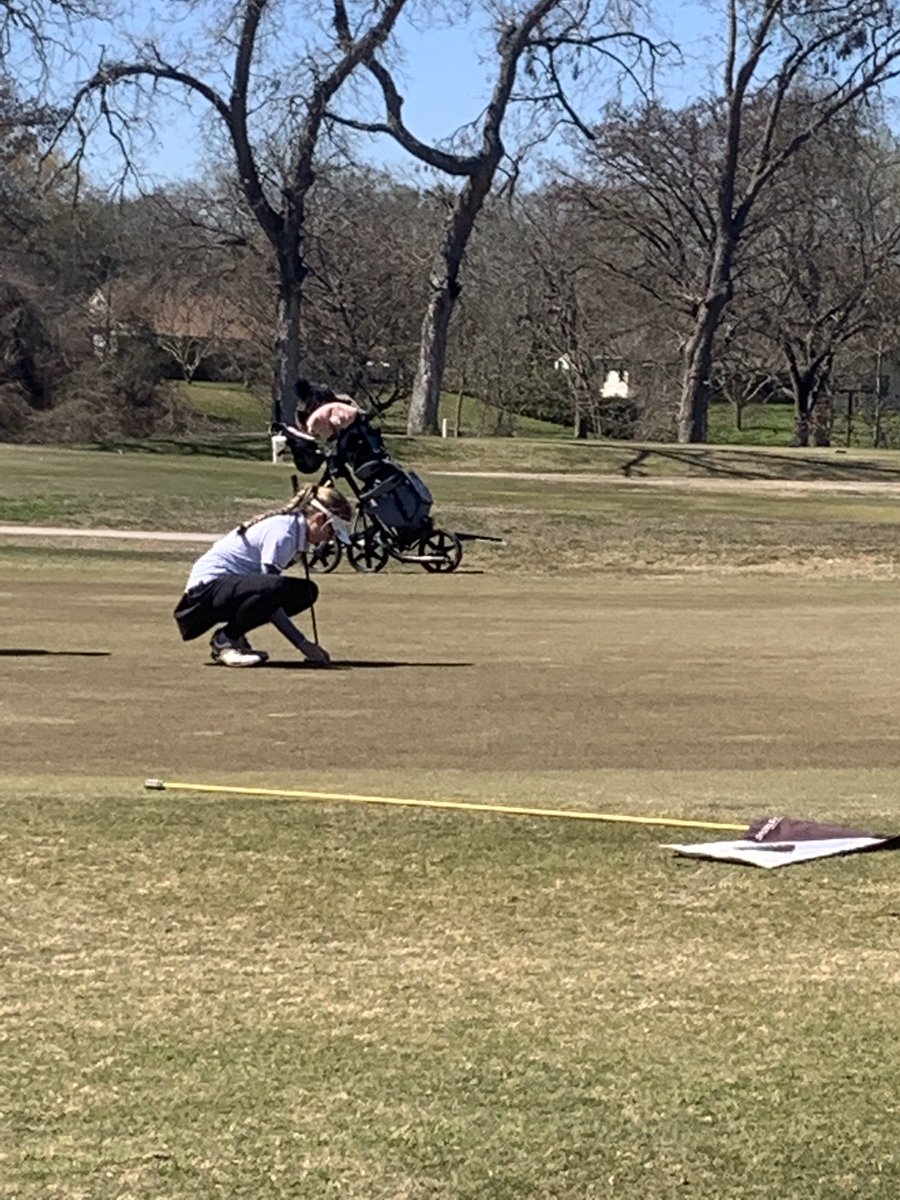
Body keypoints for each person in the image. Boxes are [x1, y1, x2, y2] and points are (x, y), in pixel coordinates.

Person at [172, 483, 354, 667]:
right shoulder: (284, 533)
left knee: (305, 592)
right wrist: (303, 644)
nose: (330, 539)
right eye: (331, 531)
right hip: (202, 597)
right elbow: (270, 595)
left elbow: (267, 596)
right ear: (320, 518)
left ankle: (233, 638)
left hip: (220, 593)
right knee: (276, 588)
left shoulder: (293, 529)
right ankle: (225, 641)